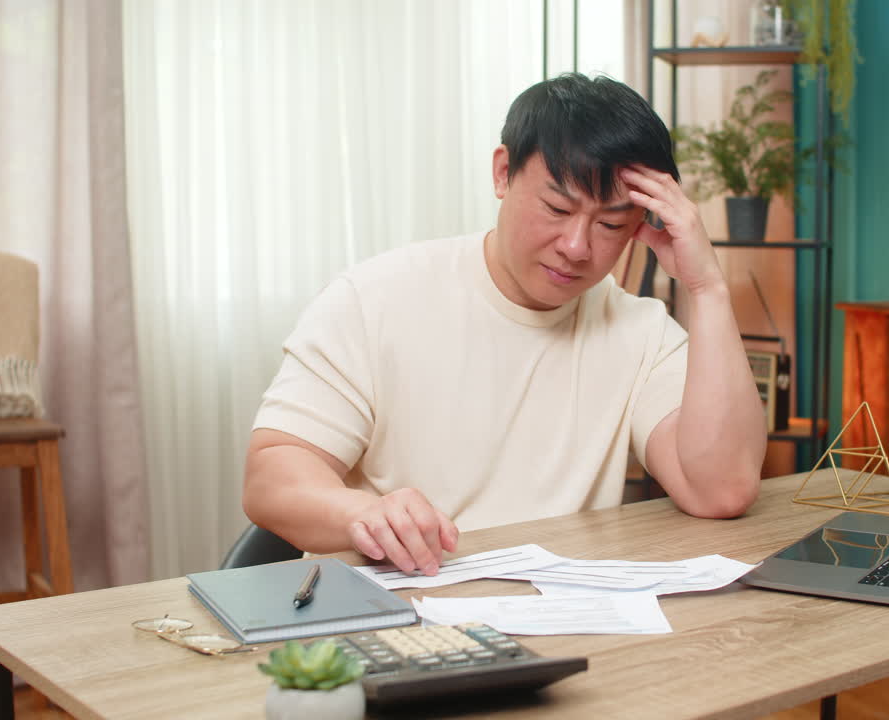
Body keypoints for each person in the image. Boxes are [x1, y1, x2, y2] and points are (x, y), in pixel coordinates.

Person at [243, 73, 766, 576]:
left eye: (610, 224)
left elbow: (720, 490)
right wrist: (358, 514)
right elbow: (271, 479)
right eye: (557, 207)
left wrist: (708, 289)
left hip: (558, 621)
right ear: (502, 172)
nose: (577, 246)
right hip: (389, 617)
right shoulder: (373, 299)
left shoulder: (639, 331)